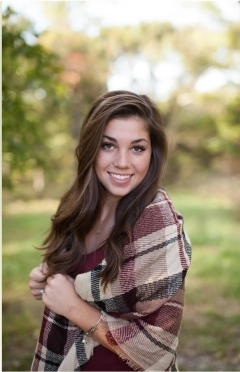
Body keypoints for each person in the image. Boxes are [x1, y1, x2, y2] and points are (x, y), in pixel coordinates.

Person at [28, 90, 192, 371]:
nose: (123, 162)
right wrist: (49, 273)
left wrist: (72, 307)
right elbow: (78, 274)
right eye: (109, 145)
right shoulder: (77, 209)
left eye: (137, 148)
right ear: (92, 147)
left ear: (153, 154)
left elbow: (155, 350)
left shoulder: (158, 221)